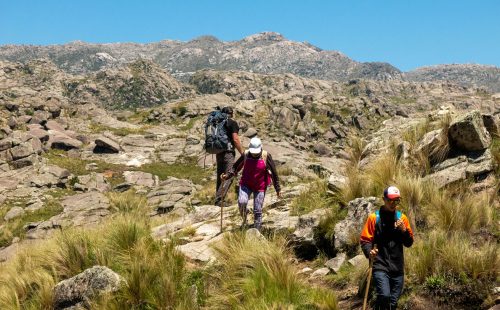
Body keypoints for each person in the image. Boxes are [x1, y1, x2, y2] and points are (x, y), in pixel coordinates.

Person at [360, 186, 414, 310]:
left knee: (393, 302)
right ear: (383, 199)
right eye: (390, 200)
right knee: (384, 295)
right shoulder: (374, 218)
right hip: (379, 264)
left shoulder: (402, 219)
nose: (393, 203)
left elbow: (409, 243)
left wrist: (404, 230)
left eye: (396, 200)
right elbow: (365, 240)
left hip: (397, 267)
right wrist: (369, 252)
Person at [222, 137, 281, 230]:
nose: (254, 154)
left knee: (257, 210)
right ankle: (245, 220)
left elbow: (274, 173)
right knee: (242, 202)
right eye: (253, 152)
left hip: (260, 186)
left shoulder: (266, 156)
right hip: (246, 184)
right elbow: (235, 167)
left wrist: (278, 189)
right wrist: (227, 176)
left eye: (256, 152)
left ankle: (257, 231)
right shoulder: (246, 154)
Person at [216, 106, 244, 194]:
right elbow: (235, 139)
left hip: (218, 152)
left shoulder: (217, 123)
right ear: (231, 113)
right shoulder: (232, 123)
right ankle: (219, 199)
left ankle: (218, 199)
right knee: (229, 175)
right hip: (228, 153)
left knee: (220, 176)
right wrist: (243, 153)